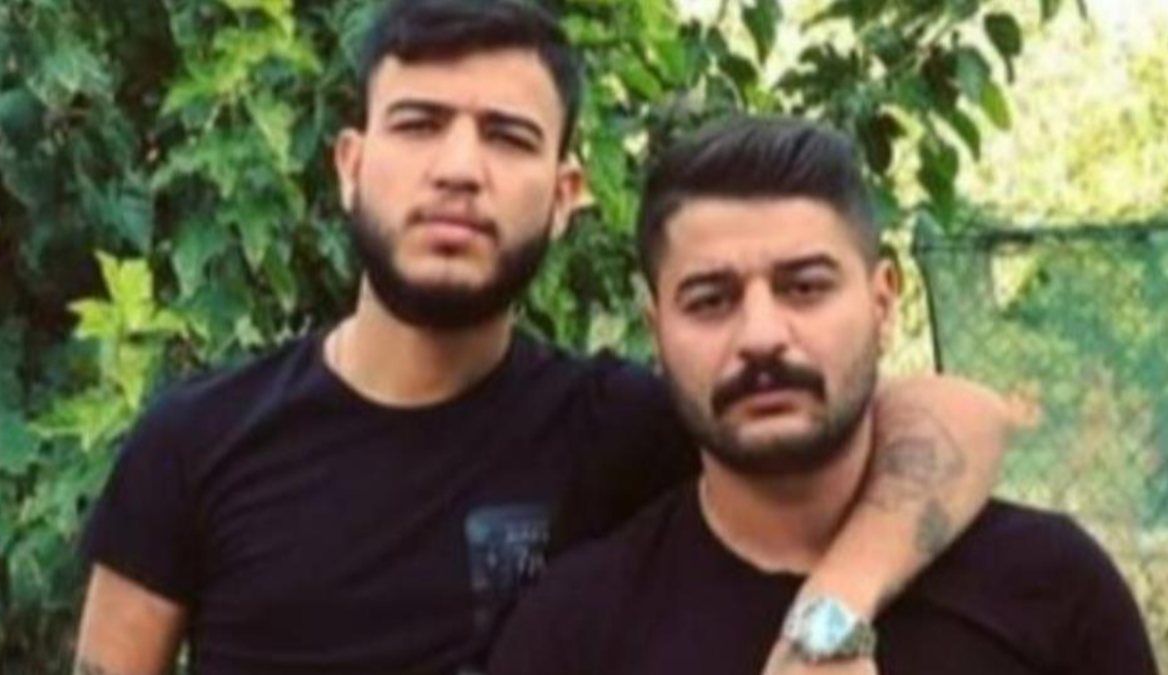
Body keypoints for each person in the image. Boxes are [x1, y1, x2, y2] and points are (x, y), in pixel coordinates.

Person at [73, 3, 1014, 674]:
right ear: (351, 166)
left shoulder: (624, 426)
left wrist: (828, 620)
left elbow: (959, 418)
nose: (459, 168)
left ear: (565, 195)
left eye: (508, 136)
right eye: (420, 124)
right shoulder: (196, 441)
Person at [487, 117, 1159, 675]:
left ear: (882, 302)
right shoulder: (574, 631)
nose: (761, 336)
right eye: (711, 300)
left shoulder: (1050, 586)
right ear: (656, 330)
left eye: (805, 287)